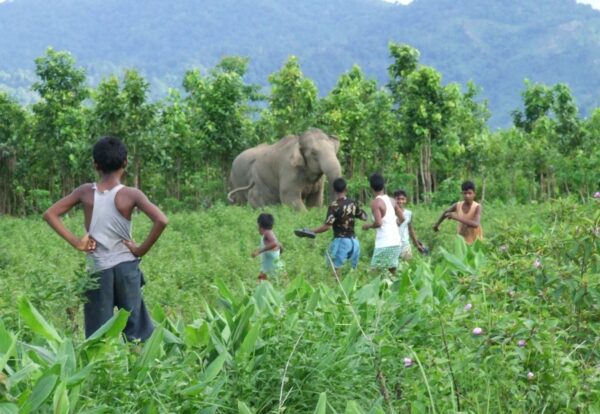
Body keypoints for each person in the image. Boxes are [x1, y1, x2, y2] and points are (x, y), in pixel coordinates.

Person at [43, 136, 168, 341]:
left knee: (97, 335)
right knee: (138, 331)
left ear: (95, 165)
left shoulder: (85, 192)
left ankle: (99, 369)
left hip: (97, 270)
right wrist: (140, 250)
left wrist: (77, 242)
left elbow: (50, 214)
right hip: (127, 269)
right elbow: (161, 220)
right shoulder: (131, 194)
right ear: (125, 163)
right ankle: (141, 368)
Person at [308, 178, 367, 277]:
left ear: (334, 190)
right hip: (354, 242)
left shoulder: (334, 206)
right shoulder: (353, 202)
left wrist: (312, 231)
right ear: (346, 189)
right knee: (352, 271)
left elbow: (327, 226)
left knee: (334, 268)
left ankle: (337, 288)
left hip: (342, 241)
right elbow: (363, 217)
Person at [362, 173, 403, 274]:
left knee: (374, 274)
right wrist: (394, 224)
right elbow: (402, 218)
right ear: (383, 185)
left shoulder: (376, 203)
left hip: (384, 243)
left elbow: (378, 223)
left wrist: (368, 226)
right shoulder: (392, 201)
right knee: (392, 273)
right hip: (396, 242)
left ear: (371, 186)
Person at [393, 189, 425, 261]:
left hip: (405, 245)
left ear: (405, 200)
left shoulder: (409, 213)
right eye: (398, 199)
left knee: (407, 268)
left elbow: (410, 229)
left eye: (402, 199)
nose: (400, 201)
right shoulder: (389, 213)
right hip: (392, 245)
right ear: (394, 200)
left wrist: (417, 245)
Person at [252, 213, 284, 281]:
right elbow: (279, 244)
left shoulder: (267, 232)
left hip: (273, 272)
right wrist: (279, 251)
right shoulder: (268, 234)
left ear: (260, 225)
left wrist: (259, 252)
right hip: (268, 271)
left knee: (260, 289)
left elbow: (275, 243)